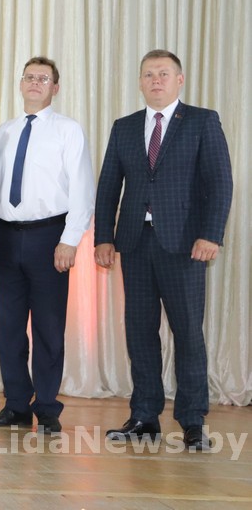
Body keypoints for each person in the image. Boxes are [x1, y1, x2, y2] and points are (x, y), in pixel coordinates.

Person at [95, 49, 232, 450]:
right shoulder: (124, 127)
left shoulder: (202, 121)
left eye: (164, 74)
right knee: (139, 332)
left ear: (179, 80)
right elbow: (108, 187)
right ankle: (144, 415)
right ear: (140, 82)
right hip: (134, 243)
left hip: (185, 245)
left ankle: (192, 421)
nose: (156, 80)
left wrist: (211, 235)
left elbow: (220, 182)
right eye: (149, 74)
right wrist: (104, 237)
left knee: (187, 332)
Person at [0, 57, 94, 433]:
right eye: (29, 77)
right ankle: (16, 404)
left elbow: (82, 189)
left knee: (48, 326)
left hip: (49, 237)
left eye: (43, 78)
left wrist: (69, 240)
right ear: (20, 84)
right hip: (5, 238)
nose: (34, 83)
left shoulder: (68, 130)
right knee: (8, 327)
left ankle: (46, 406)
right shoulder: (3, 132)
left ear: (55, 88)